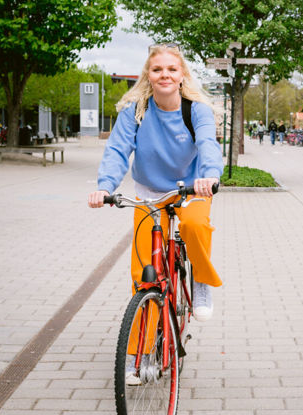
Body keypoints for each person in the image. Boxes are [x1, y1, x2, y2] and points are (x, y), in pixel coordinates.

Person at [87, 45, 223, 334]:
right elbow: (117, 150)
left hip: (192, 188)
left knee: (195, 226)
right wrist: (104, 187)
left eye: (172, 69)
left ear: (182, 75)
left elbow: (208, 144)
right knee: (143, 272)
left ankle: (201, 280)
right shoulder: (135, 111)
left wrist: (209, 176)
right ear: (148, 75)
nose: (165, 75)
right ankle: (141, 358)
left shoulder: (197, 110)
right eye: (157, 69)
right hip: (150, 192)